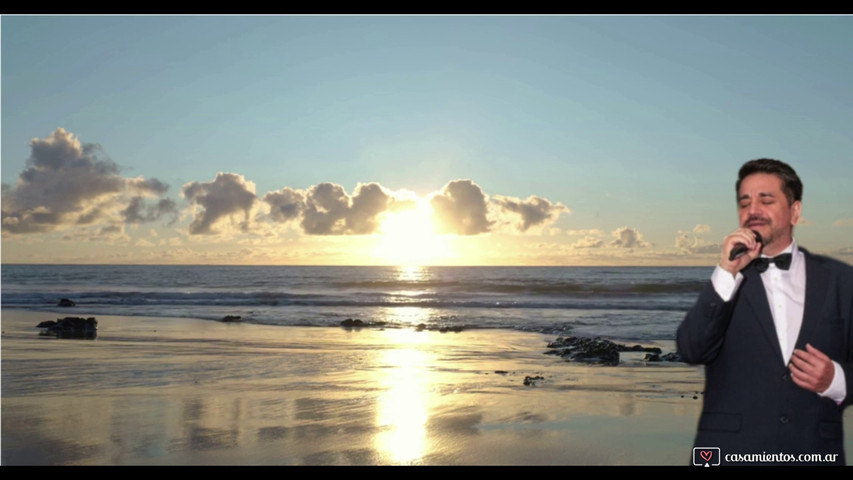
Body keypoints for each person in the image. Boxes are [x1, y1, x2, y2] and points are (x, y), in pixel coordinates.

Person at [677, 158, 853, 465]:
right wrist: (726, 272)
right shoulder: (727, 279)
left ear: (795, 211)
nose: (753, 210)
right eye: (745, 202)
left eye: (766, 200)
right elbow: (692, 349)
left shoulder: (842, 280)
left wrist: (836, 380)